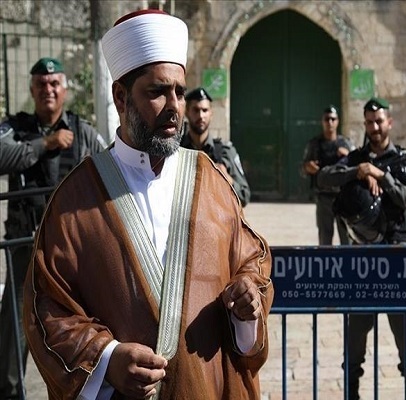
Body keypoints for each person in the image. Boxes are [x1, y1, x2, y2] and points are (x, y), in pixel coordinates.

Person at [23, 9, 273, 400]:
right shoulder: (74, 201)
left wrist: (246, 303)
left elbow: (250, 264)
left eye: (179, 91)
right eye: (157, 92)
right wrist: (108, 358)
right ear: (121, 97)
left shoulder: (212, 181)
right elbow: (47, 307)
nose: (174, 106)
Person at [0, 56, 106, 399]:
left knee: (73, 332)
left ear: (64, 90)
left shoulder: (84, 132)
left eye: (54, 84)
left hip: (69, 254)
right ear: (32, 90)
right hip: (24, 250)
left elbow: (107, 169)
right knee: (14, 335)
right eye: (41, 85)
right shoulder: (15, 129)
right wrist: (45, 144)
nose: (48, 90)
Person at [317, 97, 406, 400]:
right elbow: (323, 176)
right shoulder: (357, 157)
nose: (374, 127)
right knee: (355, 338)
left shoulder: (402, 160)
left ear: (390, 122)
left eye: (380, 121)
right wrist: (358, 171)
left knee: (405, 339)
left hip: (397, 259)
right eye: (369, 122)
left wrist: (383, 177)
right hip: (362, 261)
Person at [181, 87, 251, 206]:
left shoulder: (225, 152)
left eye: (205, 110)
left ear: (211, 114)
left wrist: (228, 180)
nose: (201, 116)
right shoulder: (177, 150)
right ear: (187, 112)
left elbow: (244, 196)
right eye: (196, 110)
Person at [301, 105, 354, 245]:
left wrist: (348, 155)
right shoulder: (315, 144)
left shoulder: (346, 143)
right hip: (324, 198)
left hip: (344, 198)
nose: (329, 122)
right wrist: (308, 168)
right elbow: (302, 169)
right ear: (322, 121)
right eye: (327, 119)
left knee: (346, 239)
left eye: (333, 119)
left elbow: (357, 166)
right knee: (325, 239)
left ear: (337, 121)